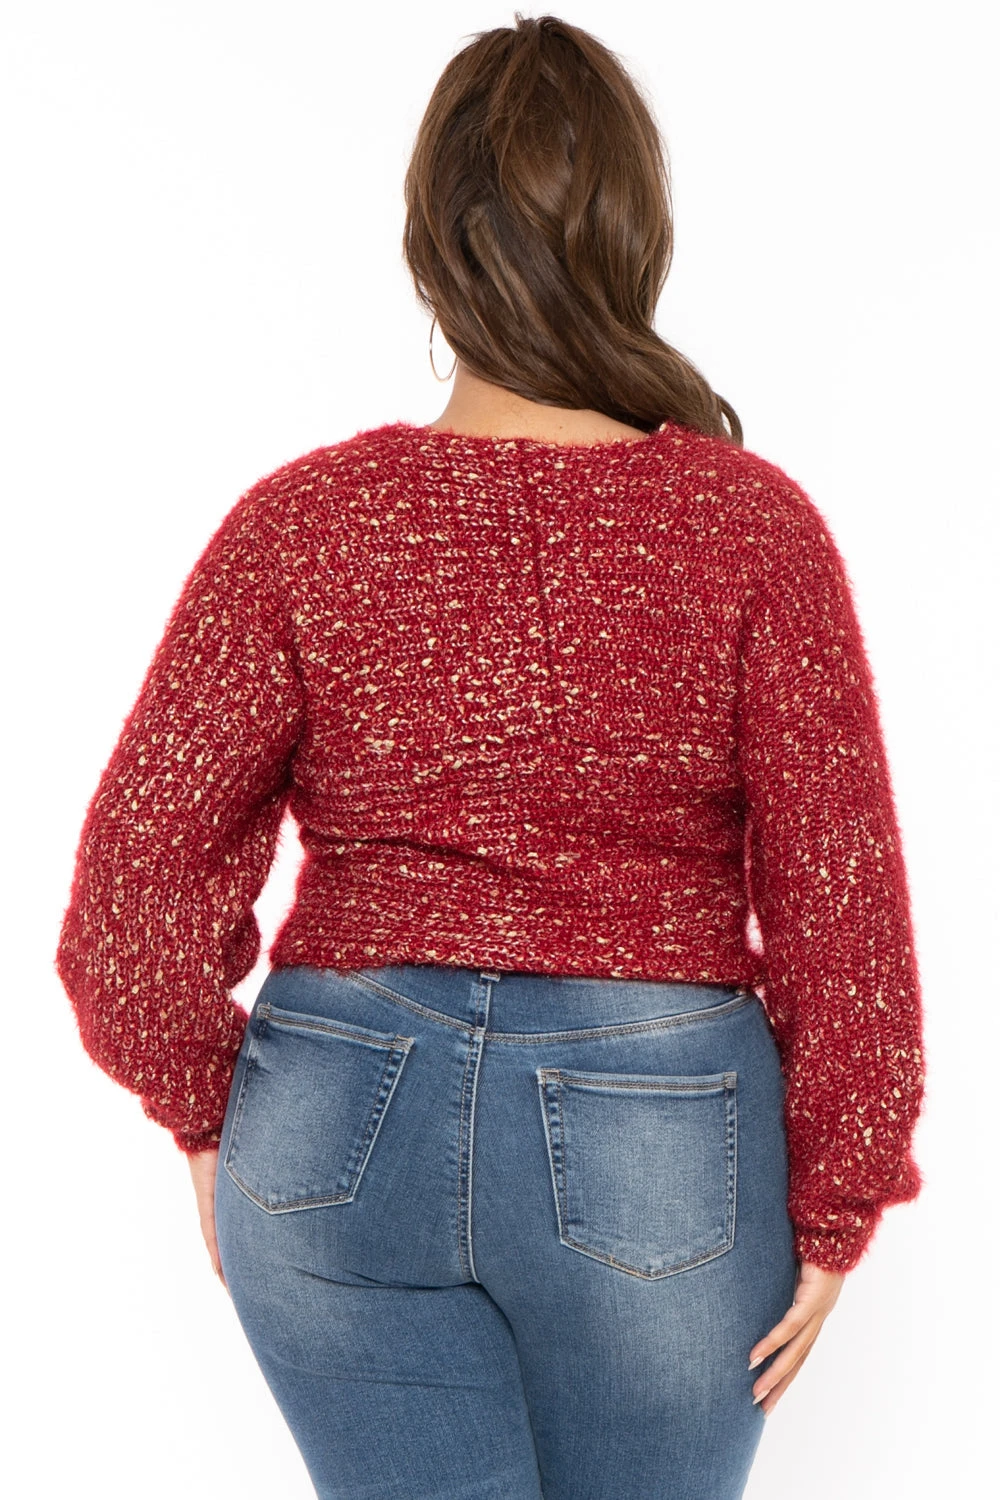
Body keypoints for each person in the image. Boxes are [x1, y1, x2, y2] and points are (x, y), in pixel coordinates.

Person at [54, 13, 926, 1499]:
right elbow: (840, 913)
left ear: (428, 249)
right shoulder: (751, 530)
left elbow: (130, 903)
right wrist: (840, 1196)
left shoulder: (302, 524)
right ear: (636, 236)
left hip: (331, 1130)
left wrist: (215, 1116)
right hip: (660, 1137)